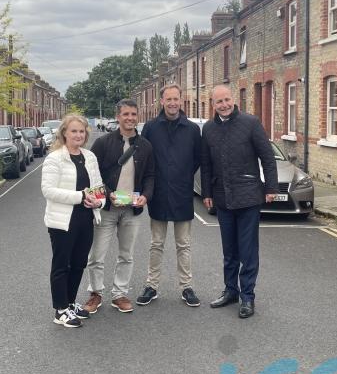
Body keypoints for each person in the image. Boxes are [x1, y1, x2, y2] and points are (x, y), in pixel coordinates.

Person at [200, 85, 279, 319]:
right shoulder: (209, 129)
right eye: (219, 101)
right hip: (222, 198)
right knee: (229, 250)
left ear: (233, 99)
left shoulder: (250, 123)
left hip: (248, 197)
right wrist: (207, 193)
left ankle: (247, 296)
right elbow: (206, 164)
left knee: (248, 251)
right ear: (213, 104)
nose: (224, 105)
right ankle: (231, 291)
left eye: (227, 100)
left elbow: (267, 157)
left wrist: (271, 187)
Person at [83, 100, 155, 314]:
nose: (130, 118)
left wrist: (146, 196)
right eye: (126, 114)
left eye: (133, 114)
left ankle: (119, 294)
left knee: (126, 255)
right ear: (118, 116)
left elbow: (150, 175)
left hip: (132, 209)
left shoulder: (145, 146)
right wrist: (107, 193)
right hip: (106, 208)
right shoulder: (103, 143)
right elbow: (92, 174)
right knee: (97, 255)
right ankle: (95, 293)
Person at [136, 84, 202, 307]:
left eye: (176, 99)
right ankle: (151, 286)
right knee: (156, 243)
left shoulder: (192, 129)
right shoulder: (151, 128)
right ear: (162, 101)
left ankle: (187, 287)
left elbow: (197, 159)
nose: (173, 103)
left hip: (182, 193)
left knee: (184, 244)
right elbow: (143, 159)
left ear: (181, 100)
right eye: (168, 99)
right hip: (158, 194)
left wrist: (182, 176)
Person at [41, 115, 104, 328]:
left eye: (82, 131)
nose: (78, 135)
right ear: (64, 133)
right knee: (62, 265)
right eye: (74, 131)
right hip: (62, 221)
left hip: (86, 218)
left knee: (79, 263)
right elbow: (48, 190)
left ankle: (69, 303)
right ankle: (60, 310)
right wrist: (80, 196)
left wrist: (98, 202)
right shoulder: (55, 158)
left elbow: (98, 187)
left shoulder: (89, 156)